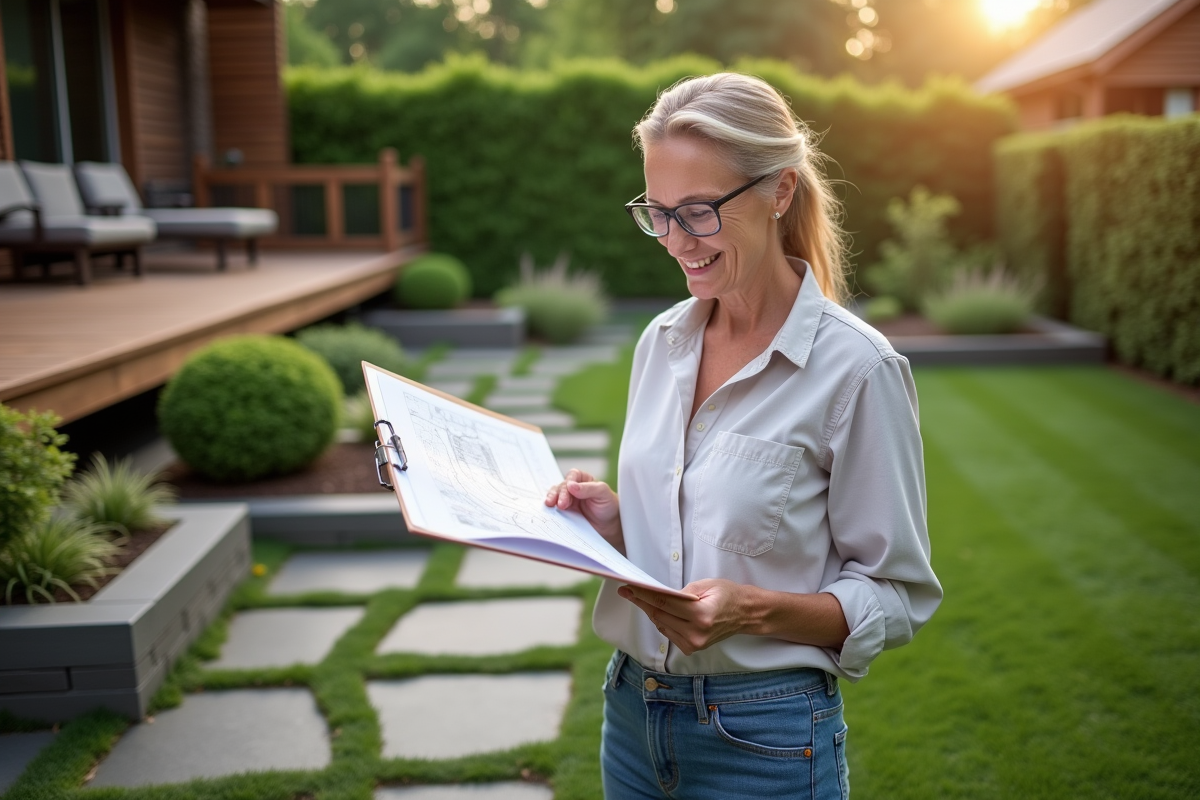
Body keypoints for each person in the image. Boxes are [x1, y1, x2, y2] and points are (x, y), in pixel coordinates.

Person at [545, 72, 942, 798]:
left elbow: (896, 594)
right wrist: (616, 523)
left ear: (780, 192)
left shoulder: (857, 370)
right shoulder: (661, 342)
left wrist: (753, 610)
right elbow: (680, 538)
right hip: (631, 718)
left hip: (766, 740)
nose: (674, 241)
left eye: (697, 211)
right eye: (657, 213)